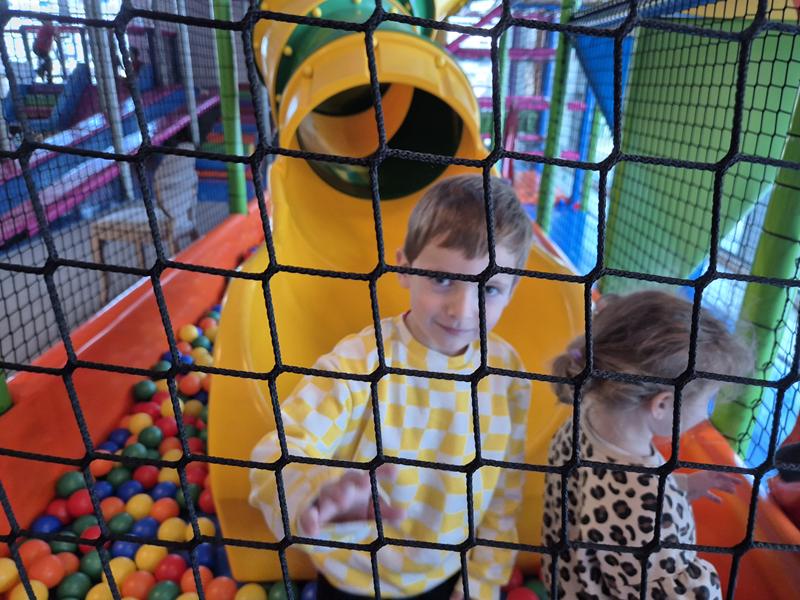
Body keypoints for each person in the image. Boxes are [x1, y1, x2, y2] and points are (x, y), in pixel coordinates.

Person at [250, 174, 534, 599]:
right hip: (355, 575)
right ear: (404, 267)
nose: (462, 310)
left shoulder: (507, 375)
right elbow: (276, 454)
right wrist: (315, 494)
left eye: (489, 288)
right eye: (442, 280)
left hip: (443, 574)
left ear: (512, 291)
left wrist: (482, 581)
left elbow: (505, 490)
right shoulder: (361, 363)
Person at [542, 290, 753, 600]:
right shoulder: (645, 502)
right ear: (662, 405)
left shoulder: (586, 413)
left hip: (567, 580)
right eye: (709, 399)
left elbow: (608, 499)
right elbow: (676, 591)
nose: (707, 413)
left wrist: (680, 487)